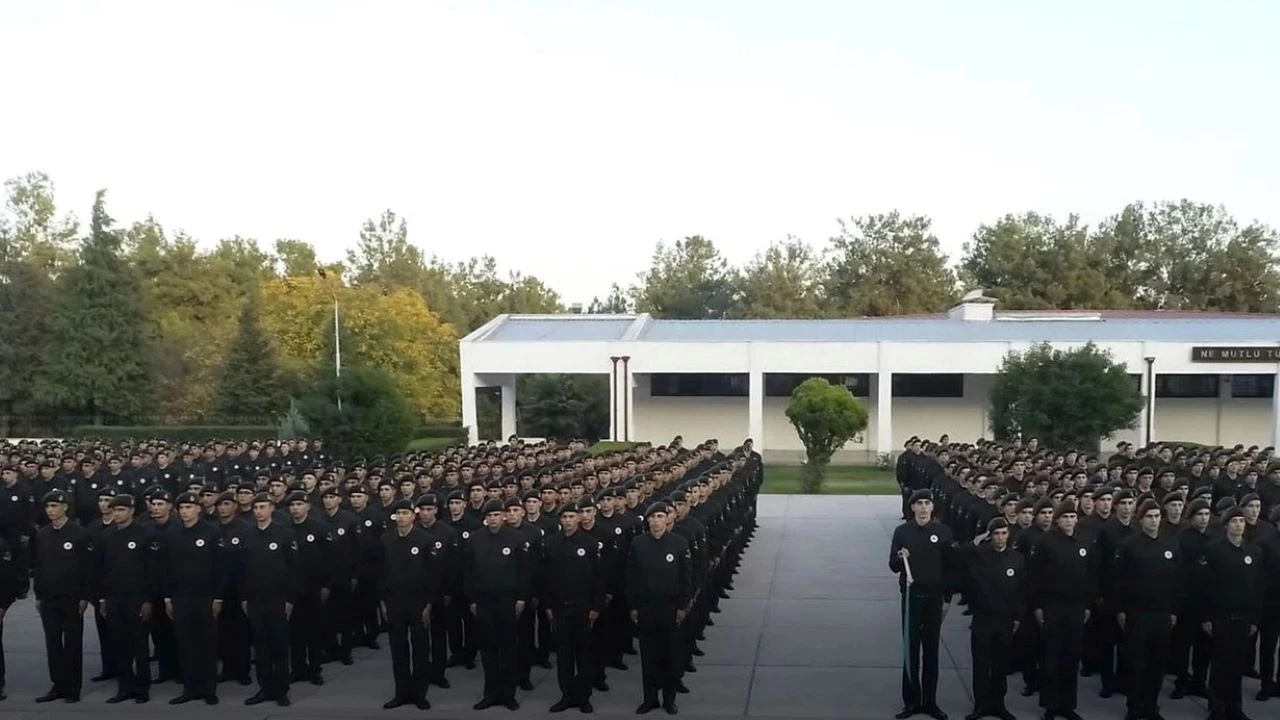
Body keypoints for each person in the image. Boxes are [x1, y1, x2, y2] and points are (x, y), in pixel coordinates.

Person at [1113, 499, 1182, 720]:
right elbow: (1119, 582)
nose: (1153, 520)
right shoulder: (1128, 545)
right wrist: (1121, 610)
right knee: (1136, 663)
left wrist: (1174, 610)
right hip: (1138, 612)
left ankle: (1151, 706)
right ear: (1140, 519)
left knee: (1157, 663)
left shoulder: (1171, 544)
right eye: (1149, 516)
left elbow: (1179, 580)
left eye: (1156, 516)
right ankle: (1134, 706)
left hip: (1162, 613)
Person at [889, 489, 954, 720]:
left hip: (934, 598)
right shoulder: (903, 532)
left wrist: (947, 599)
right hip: (912, 597)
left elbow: (950, 568)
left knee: (931, 652)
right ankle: (911, 702)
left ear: (932, 507)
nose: (924, 507)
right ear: (913, 507)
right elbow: (893, 565)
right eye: (920, 503)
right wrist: (900, 556)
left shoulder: (944, 533)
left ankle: (930, 702)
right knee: (911, 651)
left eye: (927, 503)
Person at [1028, 500, 1095, 720]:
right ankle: (1050, 705)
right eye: (1065, 517)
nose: (1069, 521)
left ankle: (1068, 705)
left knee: (1072, 657)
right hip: (1053, 606)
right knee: (1052, 658)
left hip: (1076, 606)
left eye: (1072, 517)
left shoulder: (1084, 541)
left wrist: (1087, 604)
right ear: (1058, 520)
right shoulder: (1046, 542)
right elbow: (1035, 577)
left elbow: (1091, 576)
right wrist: (1038, 606)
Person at [463, 499, 531, 711]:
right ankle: (490, 693)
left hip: (508, 601)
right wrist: (472, 600)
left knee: (509, 649)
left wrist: (521, 598)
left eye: (496, 515)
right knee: (488, 650)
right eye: (489, 515)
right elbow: (468, 573)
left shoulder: (517, 538)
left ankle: (508, 694)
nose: (493, 519)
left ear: (504, 516)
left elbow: (524, 572)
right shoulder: (475, 539)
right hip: (484, 601)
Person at [627, 501, 692, 716]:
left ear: (668, 519)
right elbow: (632, 578)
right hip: (646, 607)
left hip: (670, 607)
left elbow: (686, 577)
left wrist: (683, 606)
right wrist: (633, 606)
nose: (655, 521)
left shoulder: (679, 544)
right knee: (649, 656)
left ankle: (669, 699)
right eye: (651, 518)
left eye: (659, 517)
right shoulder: (638, 543)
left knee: (669, 656)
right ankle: (650, 699)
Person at [541, 500, 606, 713]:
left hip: (583, 608)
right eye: (564, 517)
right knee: (564, 656)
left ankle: (583, 696)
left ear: (578, 518)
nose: (568, 521)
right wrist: (548, 605)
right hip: (560, 608)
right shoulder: (551, 543)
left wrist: (595, 607)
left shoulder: (589, 543)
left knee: (584, 654)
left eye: (571, 517)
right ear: (560, 520)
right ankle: (567, 695)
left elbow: (598, 578)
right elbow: (546, 578)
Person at [161, 491, 225, 705]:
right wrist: (168, 598)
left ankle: (209, 689)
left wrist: (218, 598)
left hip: (205, 597)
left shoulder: (212, 532)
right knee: (186, 645)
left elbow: (220, 568)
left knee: (207, 644)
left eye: (189, 507)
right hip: (181, 597)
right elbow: (166, 569)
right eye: (182, 508)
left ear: (199, 509)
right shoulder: (172, 533)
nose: (185, 512)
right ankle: (190, 688)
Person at [956, 517, 1023, 720]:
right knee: (981, 664)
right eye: (996, 534)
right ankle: (981, 705)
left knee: (1001, 665)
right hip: (983, 618)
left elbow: (1022, 591)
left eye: (1003, 533)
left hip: (1005, 620)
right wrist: (977, 540)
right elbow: (957, 555)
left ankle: (999, 704)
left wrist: (1018, 617)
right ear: (989, 535)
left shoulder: (1017, 558)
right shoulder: (978, 554)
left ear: (1008, 535)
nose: (1000, 538)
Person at [1200, 506, 1263, 720]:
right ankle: (1216, 707)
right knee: (1220, 664)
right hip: (1221, 617)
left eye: (1241, 521)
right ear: (1226, 525)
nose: (1239, 525)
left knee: (1237, 664)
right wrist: (1206, 617)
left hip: (1243, 618)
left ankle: (1235, 707)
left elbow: (1257, 588)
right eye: (1234, 521)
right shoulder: (1214, 550)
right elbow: (1205, 587)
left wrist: (1254, 618)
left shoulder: (1253, 551)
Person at [32, 489, 94, 703]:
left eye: (55, 506)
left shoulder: (79, 533)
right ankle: (58, 684)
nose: (50, 510)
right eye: (48, 506)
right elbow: (38, 567)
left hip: (72, 598)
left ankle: (73, 688)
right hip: (49, 598)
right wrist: (38, 596)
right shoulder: (42, 534)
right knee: (53, 643)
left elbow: (87, 569)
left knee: (72, 643)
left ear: (65, 507)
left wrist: (85, 596)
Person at [98, 494, 159, 704]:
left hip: (137, 598)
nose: (117, 514)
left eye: (121, 510)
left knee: (139, 646)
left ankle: (142, 688)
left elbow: (152, 571)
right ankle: (124, 687)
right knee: (119, 646)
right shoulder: (106, 536)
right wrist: (102, 599)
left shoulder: (144, 534)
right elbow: (101, 569)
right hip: (114, 598)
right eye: (114, 510)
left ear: (131, 511)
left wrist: (148, 600)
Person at [240, 492, 299, 707]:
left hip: (278, 599)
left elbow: (294, 570)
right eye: (256, 508)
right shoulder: (248, 535)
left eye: (263, 507)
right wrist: (244, 598)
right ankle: (265, 688)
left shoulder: (284, 534)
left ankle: (281, 690)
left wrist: (290, 599)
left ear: (271, 508)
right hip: (255, 600)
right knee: (261, 647)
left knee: (280, 646)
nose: (259, 512)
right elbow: (243, 570)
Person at [378, 499, 437, 710]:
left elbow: (432, 575)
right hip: (394, 602)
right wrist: (383, 603)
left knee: (420, 649)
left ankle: (420, 693)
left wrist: (429, 604)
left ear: (414, 515)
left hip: (418, 603)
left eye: (405, 513)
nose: (401, 517)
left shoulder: (424, 540)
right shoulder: (386, 539)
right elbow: (381, 573)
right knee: (398, 649)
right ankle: (401, 693)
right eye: (398, 513)